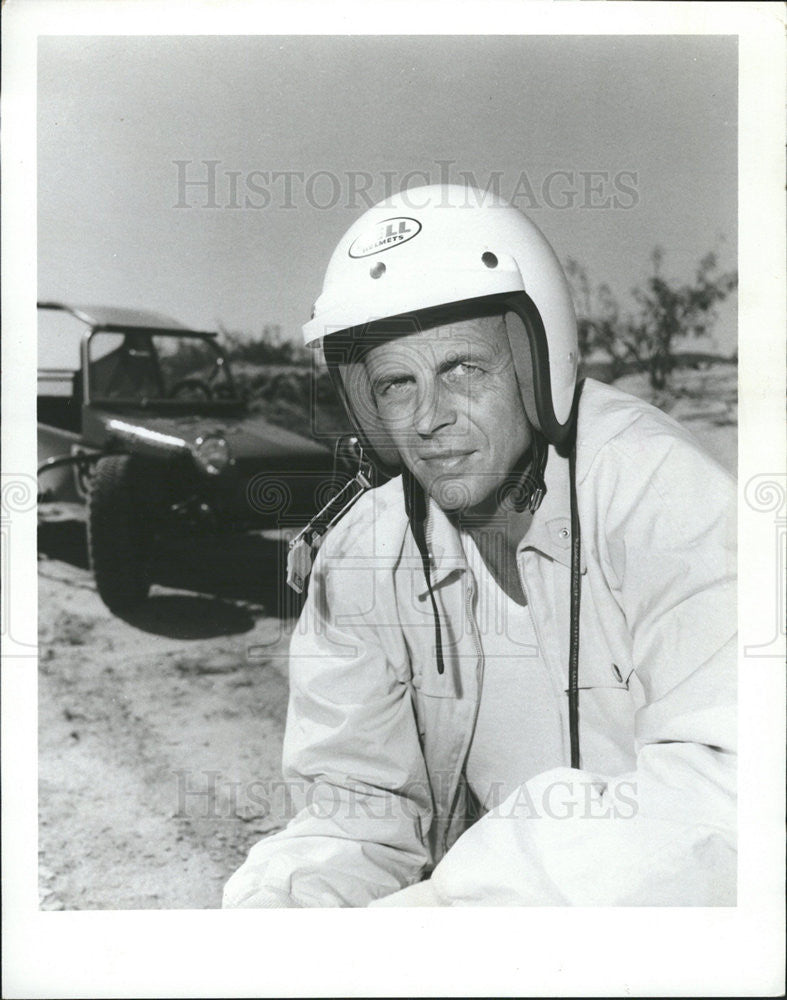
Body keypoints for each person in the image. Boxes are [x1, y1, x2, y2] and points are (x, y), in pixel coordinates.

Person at [223, 184, 736, 907]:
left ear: (535, 364)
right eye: (396, 385)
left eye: (463, 369)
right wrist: (281, 915)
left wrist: (437, 925)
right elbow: (355, 810)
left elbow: (722, 807)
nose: (429, 418)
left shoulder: (662, 496)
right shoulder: (363, 552)